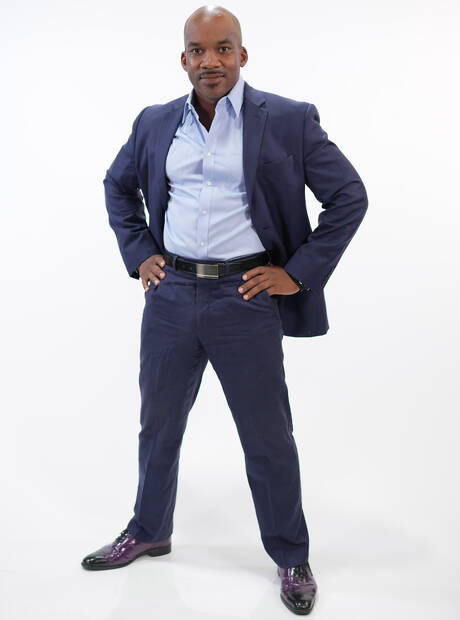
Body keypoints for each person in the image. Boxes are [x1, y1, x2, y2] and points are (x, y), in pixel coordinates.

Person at [81, 5, 368, 616]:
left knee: (267, 436)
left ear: (242, 54)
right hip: (170, 296)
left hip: (246, 298)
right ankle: (149, 530)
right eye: (198, 50)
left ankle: (291, 555)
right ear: (183, 58)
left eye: (222, 48)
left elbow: (349, 196)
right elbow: (117, 186)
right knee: (158, 425)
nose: (209, 60)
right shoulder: (155, 121)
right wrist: (140, 253)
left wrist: (296, 274)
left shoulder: (287, 119)